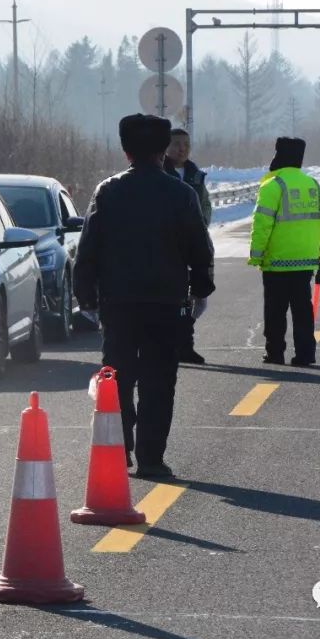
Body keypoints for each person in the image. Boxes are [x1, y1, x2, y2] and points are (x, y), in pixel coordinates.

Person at [75, 114, 215, 478]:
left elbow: (88, 247)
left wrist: (85, 295)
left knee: (118, 376)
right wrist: (200, 289)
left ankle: (119, 449)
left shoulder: (108, 190)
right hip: (166, 302)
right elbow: (200, 248)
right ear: (162, 150)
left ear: (126, 151)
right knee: (159, 379)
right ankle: (152, 458)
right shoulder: (181, 194)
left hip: (118, 302)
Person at [248, 137, 320, 367]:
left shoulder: (273, 186)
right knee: (303, 310)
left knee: (275, 312)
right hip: (305, 261)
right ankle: (305, 354)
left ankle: (275, 353)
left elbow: (262, 224)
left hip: (277, 261)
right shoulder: (313, 185)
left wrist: (256, 254)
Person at [164, 128, 213, 364]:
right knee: (174, 299)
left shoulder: (196, 175)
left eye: (186, 144)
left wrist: (199, 230)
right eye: (176, 144)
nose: (182, 148)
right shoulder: (161, 173)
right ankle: (174, 343)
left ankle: (185, 342)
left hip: (194, 245)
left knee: (195, 298)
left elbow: (205, 207)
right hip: (169, 248)